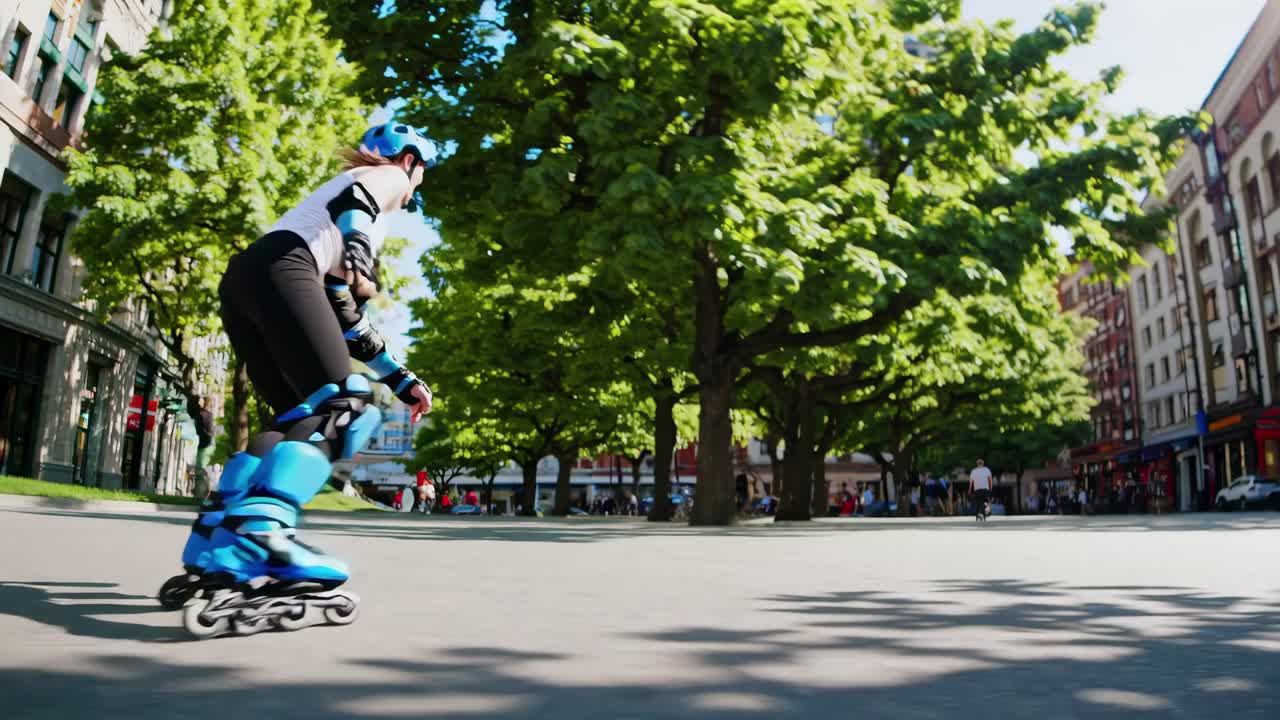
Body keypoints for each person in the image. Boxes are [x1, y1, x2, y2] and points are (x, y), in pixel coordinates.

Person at [169, 122, 436, 634]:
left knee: (296, 417)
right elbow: (360, 200)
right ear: (410, 160)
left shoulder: (323, 214)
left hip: (248, 279)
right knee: (348, 407)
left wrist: (402, 380)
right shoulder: (386, 178)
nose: (417, 185)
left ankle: (214, 537)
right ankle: (261, 533)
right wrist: (359, 242)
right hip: (285, 267)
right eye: (422, 172)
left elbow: (347, 321)